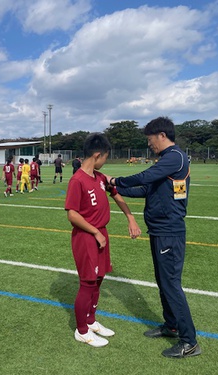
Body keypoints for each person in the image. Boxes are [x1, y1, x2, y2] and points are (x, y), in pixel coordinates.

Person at [106, 116, 200, 358]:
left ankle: (189, 341)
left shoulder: (174, 157)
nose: (150, 145)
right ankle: (171, 325)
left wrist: (116, 180)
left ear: (161, 135)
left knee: (171, 284)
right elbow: (146, 189)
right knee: (163, 282)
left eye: (150, 140)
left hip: (169, 231)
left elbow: (145, 177)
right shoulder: (168, 161)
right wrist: (114, 189)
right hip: (159, 230)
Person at [65, 133, 141, 347]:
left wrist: (131, 217)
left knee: (99, 279)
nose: (105, 161)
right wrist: (95, 232)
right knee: (87, 283)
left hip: (101, 234)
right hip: (87, 236)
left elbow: (116, 195)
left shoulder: (99, 178)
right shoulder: (77, 180)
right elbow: (72, 214)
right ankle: (81, 331)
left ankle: (91, 321)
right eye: (105, 157)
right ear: (97, 155)